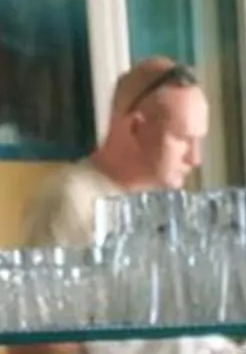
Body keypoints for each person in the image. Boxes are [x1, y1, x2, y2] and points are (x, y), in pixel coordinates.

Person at [23, 57, 209, 251]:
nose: (195, 158)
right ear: (135, 128)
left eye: (199, 140)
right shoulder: (69, 202)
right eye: (182, 138)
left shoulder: (166, 208)